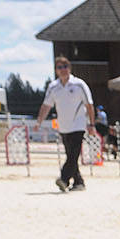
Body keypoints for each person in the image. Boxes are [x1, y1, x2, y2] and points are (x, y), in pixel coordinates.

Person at [37, 56, 95, 192]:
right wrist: (39, 121)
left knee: (73, 154)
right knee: (71, 155)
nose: (63, 70)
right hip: (63, 126)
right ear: (56, 70)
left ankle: (63, 179)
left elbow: (89, 105)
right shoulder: (53, 87)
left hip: (78, 125)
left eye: (65, 67)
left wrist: (91, 124)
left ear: (69, 68)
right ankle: (79, 182)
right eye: (59, 67)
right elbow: (46, 105)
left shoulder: (79, 85)